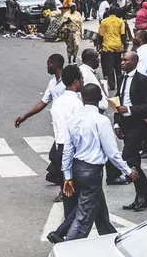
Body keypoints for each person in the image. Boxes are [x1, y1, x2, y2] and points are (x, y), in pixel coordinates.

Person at [53, 84, 136, 243]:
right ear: (99, 99)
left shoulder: (73, 120)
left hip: (77, 168)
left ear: (82, 99)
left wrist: (68, 176)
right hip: (92, 172)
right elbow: (112, 152)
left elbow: (68, 151)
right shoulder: (101, 121)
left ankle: (109, 236)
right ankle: (70, 246)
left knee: (98, 207)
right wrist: (128, 171)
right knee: (84, 217)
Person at [114, 51, 147, 212]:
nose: (122, 62)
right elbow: (117, 102)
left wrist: (130, 109)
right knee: (134, 161)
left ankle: (143, 192)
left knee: (127, 159)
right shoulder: (121, 79)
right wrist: (116, 124)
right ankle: (140, 196)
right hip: (125, 124)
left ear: (134, 62)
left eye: (126, 60)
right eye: (122, 60)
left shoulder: (143, 80)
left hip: (138, 125)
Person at [14, 54, 65, 183]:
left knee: (57, 154)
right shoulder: (52, 83)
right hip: (58, 124)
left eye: (49, 64)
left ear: (56, 65)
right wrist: (25, 116)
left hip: (68, 123)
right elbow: (43, 102)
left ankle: (63, 182)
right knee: (57, 154)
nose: (47, 67)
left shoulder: (67, 81)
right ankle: (57, 176)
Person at [48, 65, 84, 197]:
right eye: (82, 78)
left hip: (60, 146)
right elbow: (79, 131)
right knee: (78, 191)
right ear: (76, 82)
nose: (83, 81)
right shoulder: (77, 104)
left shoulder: (58, 102)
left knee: (67, 190)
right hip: (73, 149)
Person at [132, 31, 147, 159]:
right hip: (143, 88)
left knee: (144, 119)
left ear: (141, 38)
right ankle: (143, 145)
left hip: (144, 89)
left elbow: (140, 72)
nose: (133, 38)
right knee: (140, 118)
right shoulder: (142, 51)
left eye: (136, 36)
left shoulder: (144, 53)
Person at [96, 7, 127, 93]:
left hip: (108, 47)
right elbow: (123, 35)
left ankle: (112, 85)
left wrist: (99, 45)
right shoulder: (120, 22)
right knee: (118, 67)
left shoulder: (104, 21)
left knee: (109, 67)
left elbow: (101, 35)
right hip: (118, 46)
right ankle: (120, 85)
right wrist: (125, 46)